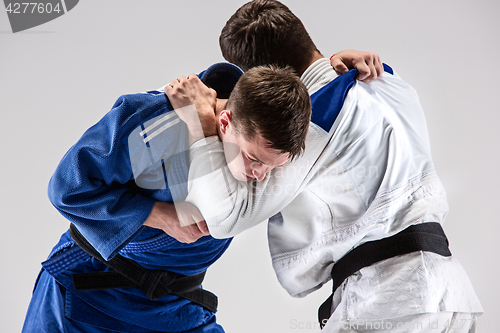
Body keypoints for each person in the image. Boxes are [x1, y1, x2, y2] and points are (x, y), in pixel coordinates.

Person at [168, 1, 483, 332]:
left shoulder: (317, 122)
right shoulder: (387, 79)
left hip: (392, 301)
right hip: (450, 295)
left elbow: (225, 216)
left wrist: (200, 120)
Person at [22, 63, 313, 332]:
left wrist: (340, 63)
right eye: (254, 159)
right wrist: (159, 215)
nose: (261, 175)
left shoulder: (266, 128)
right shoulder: (163, 128)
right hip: (89, 292)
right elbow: (69, 189)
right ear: (224, 122)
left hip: (173, 307)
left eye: (273, 166)